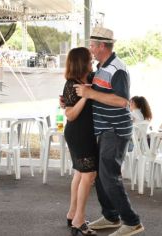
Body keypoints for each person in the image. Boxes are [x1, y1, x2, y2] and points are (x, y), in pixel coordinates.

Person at [74, 27, 144, 236]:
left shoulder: (117, 69)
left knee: (109, 176)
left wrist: (91, 93)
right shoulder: (102, 67)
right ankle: (111, 216)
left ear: (103, 46)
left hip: (115, 130)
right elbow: (93, 93)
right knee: (102, 176)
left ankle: (132, 222)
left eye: (93, 45)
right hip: (104, 130)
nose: (91, 49)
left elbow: (122, 100)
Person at [62, 47, 98, 236]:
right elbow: (70, 115)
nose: (92, 61)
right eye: (89, 59)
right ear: (81, 62)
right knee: (89, 175)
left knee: (80, 174)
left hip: (87, 133)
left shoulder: (90, 79)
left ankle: (72, 214)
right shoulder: (71, 84)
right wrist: (85, 97)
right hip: (78, 133)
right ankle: (79, 220)